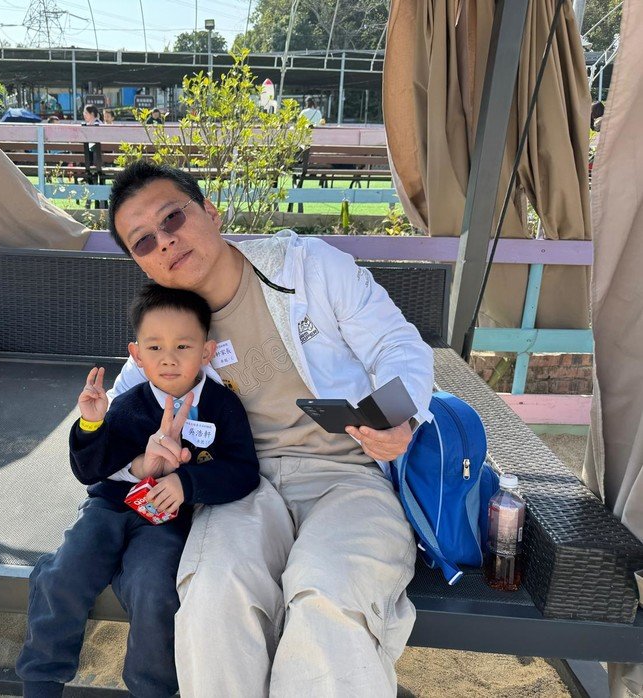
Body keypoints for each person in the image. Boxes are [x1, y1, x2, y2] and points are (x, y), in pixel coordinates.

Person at [106, 161, 435, 696]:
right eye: (143, 241)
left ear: (210, 211)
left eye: (172, 218)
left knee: (327, 595)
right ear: (142, 264)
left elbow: (396, 345)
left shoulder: (306, 269)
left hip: (349, 473)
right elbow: (111, 428)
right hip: (243, 484)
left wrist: (399, 414)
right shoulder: (168, 331)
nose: (164, 242)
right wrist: (143, 459)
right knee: (212, 598)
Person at [16, 284, 261, 698]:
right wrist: (92, 424)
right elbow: (89, 471)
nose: (169, 358)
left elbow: (243, 471)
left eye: (183, 345)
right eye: (155, 347)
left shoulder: (223, 407)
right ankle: (42, 681)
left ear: (206, 352)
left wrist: (186, 482)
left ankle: (153, 689)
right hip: (108, 508)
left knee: (155, 588)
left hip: (166, 520)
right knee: (63, 575)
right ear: (137, 354)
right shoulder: (128, 404)